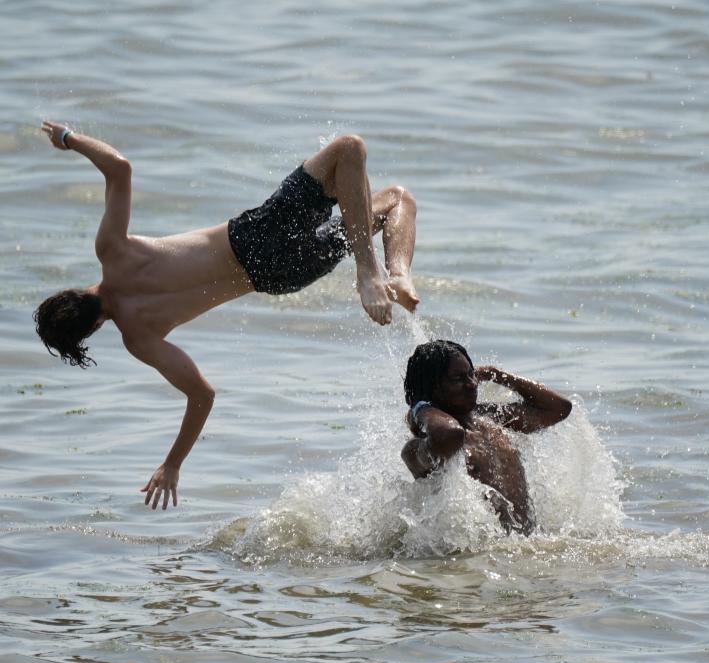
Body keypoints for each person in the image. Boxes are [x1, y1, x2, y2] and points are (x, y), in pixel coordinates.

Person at [34, 120, 420, 511]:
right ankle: (376, 272)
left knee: (392, 201)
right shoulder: (111, 252)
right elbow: (120, 168)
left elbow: (202, 395)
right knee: (350, 150)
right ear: (73, 292)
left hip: (279, 276)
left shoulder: (139, 338)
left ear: (92, 329)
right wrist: (69, 139)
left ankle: (398, 277)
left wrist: (172, 465)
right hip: (256, 237)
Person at [400, 340, 572, 535]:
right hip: (473, 562)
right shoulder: (419, 448)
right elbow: (450, 434)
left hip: (523, 549)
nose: (472, 384)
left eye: (471, 374)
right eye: (458, 379)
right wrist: (420, 406)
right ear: (433, 388)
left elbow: (559, 408)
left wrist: (496, 374)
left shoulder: (490, 418)